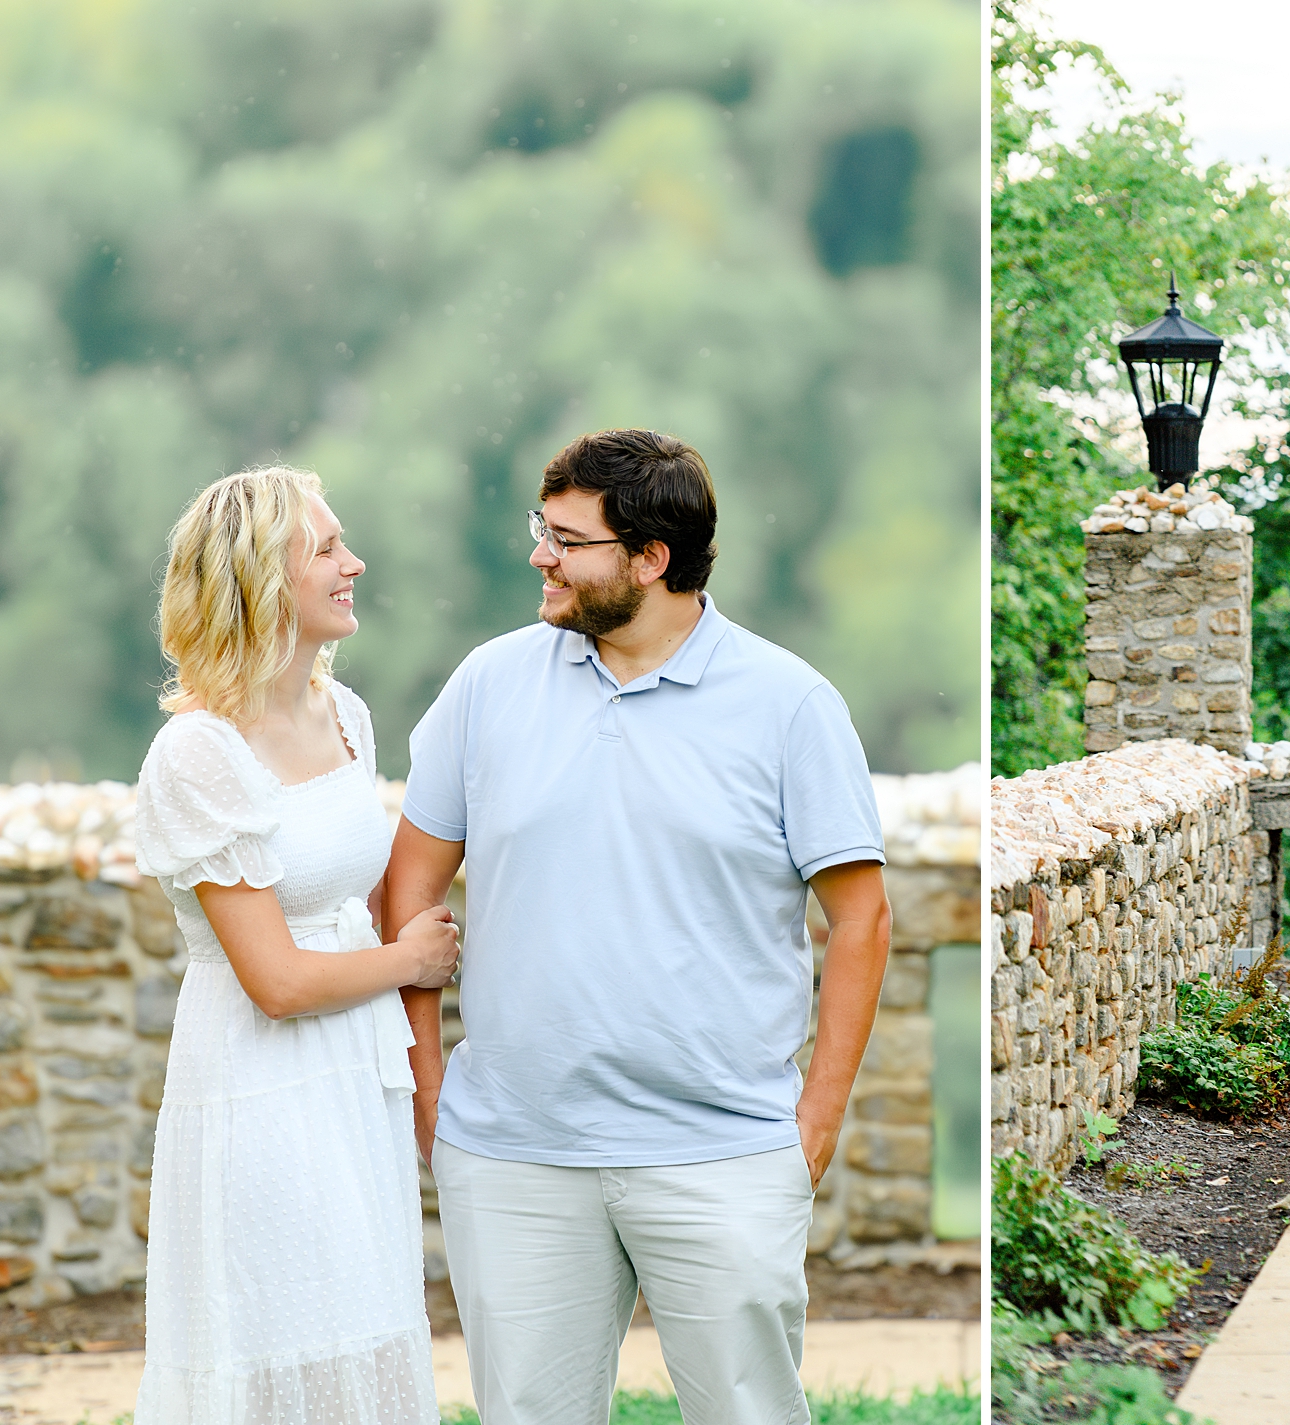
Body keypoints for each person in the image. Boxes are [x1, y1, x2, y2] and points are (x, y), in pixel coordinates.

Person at [383, 429, 891, 1425]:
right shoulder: (488, 683)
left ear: (650, 559)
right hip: (512, 1153)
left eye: (567, 539)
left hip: (725, 1152)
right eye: (543, 528)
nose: (540, 554)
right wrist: (433, 1098)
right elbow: (408, 884)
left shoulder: (790, 704)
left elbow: (861, 917)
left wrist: (811, 1127)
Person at [131, 467, 460, 1422]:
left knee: (364, 1320)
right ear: (258, 578)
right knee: (279, 1334)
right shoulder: (198, 754)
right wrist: (412, 961)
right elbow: (273, 979)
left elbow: (350, 901)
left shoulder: (343, 714)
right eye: (326, 548)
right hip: (257, 1087)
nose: (353, 563)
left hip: (357, 1071)